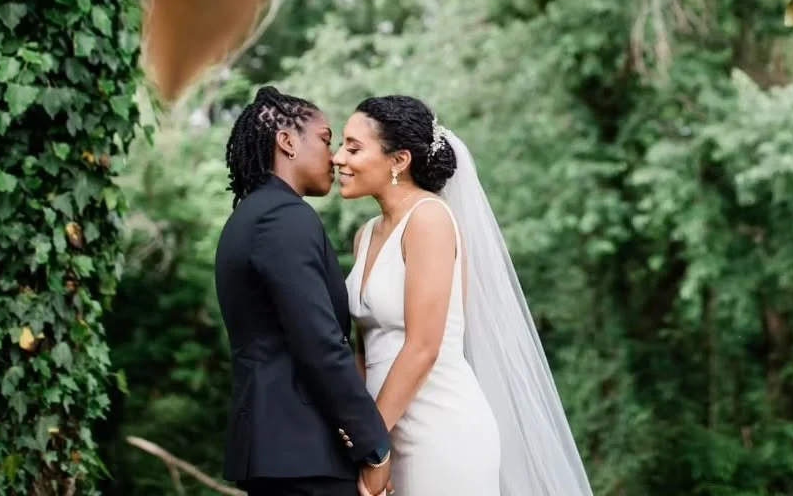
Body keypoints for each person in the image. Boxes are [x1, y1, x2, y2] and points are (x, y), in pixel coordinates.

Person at [335, 95, 594, 496]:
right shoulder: (365, 235)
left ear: (399, 161)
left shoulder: (430, 219)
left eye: (353, 148)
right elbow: (365, 350)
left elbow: (423, 346)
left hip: (439, 428)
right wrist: (369, 442)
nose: (338, 158)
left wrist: (373, 446)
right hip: (383, 428)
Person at [214, 86, 395, 496]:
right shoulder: (284, 218)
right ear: (287, 141)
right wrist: (374, 446)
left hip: (279, 450)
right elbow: (319, 342)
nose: (333, 156)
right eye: (326, 139)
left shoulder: (251, 216)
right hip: (302, 452)